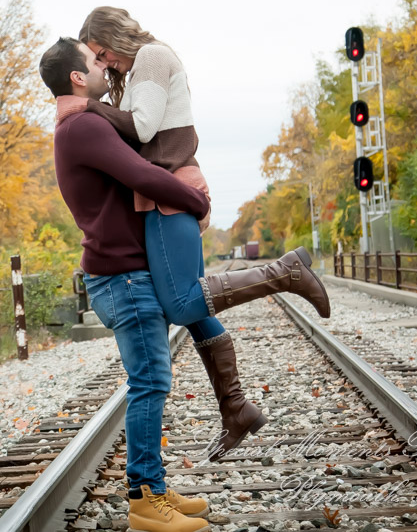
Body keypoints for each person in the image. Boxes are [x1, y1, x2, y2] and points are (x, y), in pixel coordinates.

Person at [40, 37, 330, 530]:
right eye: (94, 63)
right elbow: (141, 173)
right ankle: (145, 501)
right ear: (76, 77)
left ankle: (158, 482)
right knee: (149, 383)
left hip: (123, 274)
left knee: (165, 354)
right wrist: (195, 201)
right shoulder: (83, 126)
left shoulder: (79, 126)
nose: (102, 69)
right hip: (121, 278)